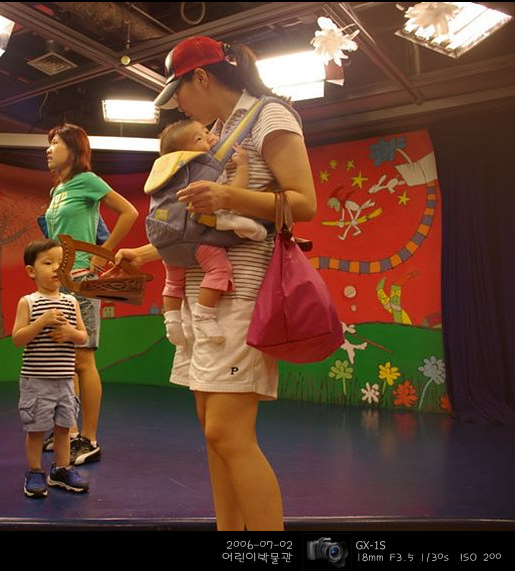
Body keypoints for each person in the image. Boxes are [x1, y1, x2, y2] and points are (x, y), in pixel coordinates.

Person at [117, 36, 317, 531]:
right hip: (200, 301)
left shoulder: (269, 115)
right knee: (214, 435)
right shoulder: (219, 133)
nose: (178, 105)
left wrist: (227, 195)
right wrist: (143, 254)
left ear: (201, 78)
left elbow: (304, 203)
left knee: (229, 434)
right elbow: (204, 228)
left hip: (241, 295)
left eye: (179, 92)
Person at [43, 124, 138, 465]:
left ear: (74, 149)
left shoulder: (88, 181)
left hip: (82, 280)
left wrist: (102, 256)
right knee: (65, 361)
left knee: (83, 361)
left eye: (55, 143)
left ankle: (90, 438)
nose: (49, 149)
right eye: (49, 144)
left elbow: (129, 212)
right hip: (58, 282)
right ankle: (68, 433)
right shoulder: (57, 190)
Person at [155, 119, 268, 346]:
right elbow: (233, 194)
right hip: (195, 239)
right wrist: (243, 166)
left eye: (206, 131)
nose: (209, 137)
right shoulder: (203, 169)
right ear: (186, 152)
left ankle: (172, 321)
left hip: (165, 240)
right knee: (219, 269)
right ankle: (204, 315)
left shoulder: (167, 174)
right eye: (200, 138)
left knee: (173, 281)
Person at [11, 239, 90, 498]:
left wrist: (70, 333)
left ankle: (61, 470)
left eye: (61, 263)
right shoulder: (28, 302)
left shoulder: (71, 302)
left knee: (64, 428)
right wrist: (41, 322)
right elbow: (17, 339)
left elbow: (83, 337)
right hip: (36, 381)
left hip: (65, 381)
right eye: (48, 263)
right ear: (31, 271)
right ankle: (35, 471)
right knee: (36, 430)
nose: (56, 268)